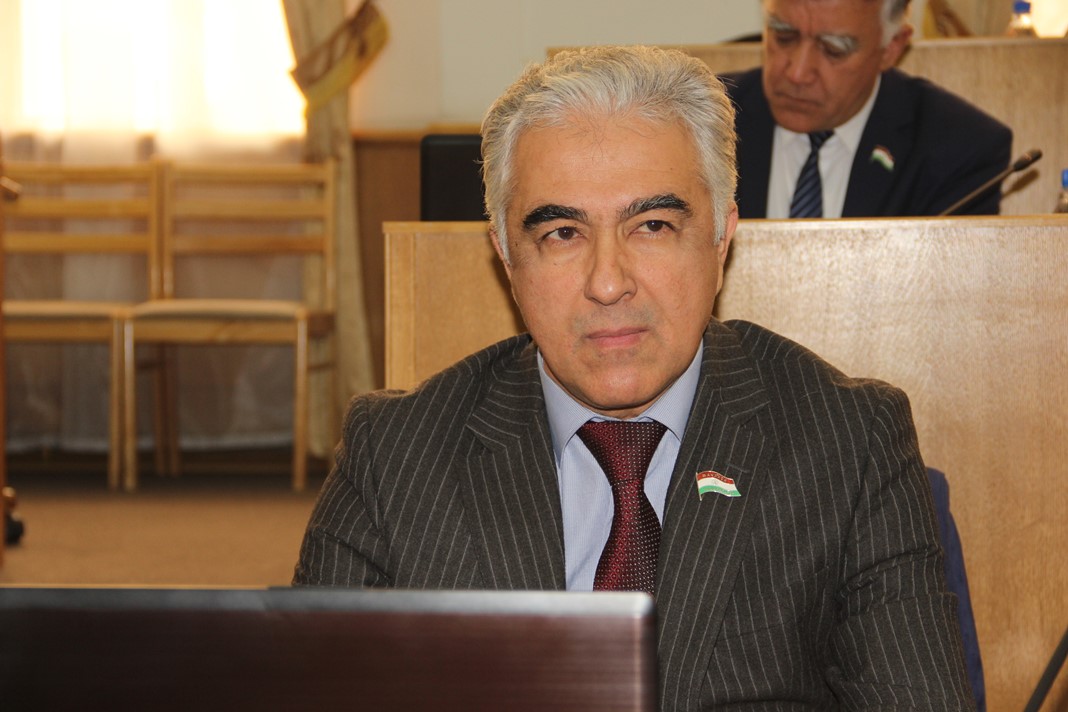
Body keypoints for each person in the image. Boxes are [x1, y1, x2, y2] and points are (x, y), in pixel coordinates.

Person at [294, 45, 974, 709]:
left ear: (721, 237)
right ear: (506, 255)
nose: (608, 281)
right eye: (562, 233)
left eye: (651, 225)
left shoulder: (849, 443)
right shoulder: (396, 453)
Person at [724, 0, 1013, 218]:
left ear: (892, 48)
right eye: (783, 36)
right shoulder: (706, 118)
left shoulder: (960, 150)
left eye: (834, 48)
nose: (797, 73)